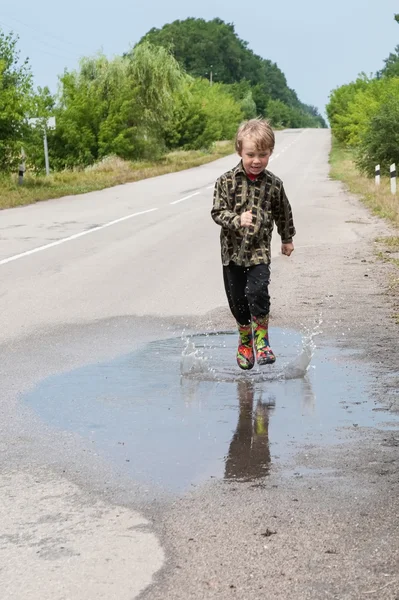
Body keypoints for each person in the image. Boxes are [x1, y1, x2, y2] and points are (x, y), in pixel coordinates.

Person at [211, 118, 296, 370]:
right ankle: (245, 341)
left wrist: (287, 238)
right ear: (240, 151)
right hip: (232, 253)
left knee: (257, 292)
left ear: (270, 152)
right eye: (251, 155)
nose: (256, 160)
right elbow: (217, 211)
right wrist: (237, 219)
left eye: (263, 154)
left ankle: (262, 340)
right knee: (237, 300)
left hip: (259, 251)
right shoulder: (225, 181)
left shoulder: (274, 184)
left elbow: (284, 212)